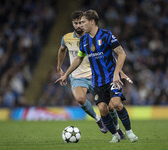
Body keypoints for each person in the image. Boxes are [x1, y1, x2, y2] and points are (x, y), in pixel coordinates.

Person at [56, 10, 138, 143]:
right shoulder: (84, 40)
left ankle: (130, 133)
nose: (81, 25)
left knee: (116, 104)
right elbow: (78, 59)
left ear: (92, 21)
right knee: (102, 109)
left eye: (83, 22)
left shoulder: (107, 35)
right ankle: (115, 135)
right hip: (98, 81)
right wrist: (66, 74)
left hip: (111, 78)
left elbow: (121, 54)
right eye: (78, 22)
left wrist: (117, 73)